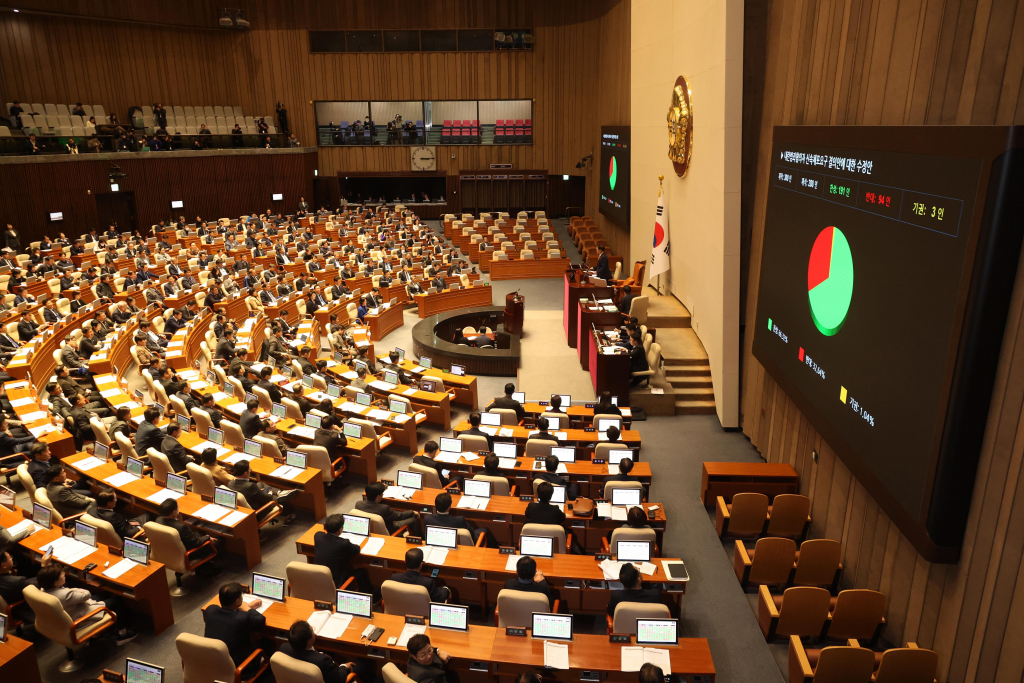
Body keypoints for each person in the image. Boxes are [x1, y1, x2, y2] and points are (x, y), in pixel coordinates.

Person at [36, 564, 138, 644]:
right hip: (83, 617)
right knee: (118, 600)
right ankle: (122, 634)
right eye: (61, 575)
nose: (64, 574)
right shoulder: (65, 594)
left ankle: (106, 629)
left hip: (73, 610)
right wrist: (73, 589)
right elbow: (87, 594)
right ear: (55, 582)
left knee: (104, 594)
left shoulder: (43, 590)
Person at [204, 582, 267, 677]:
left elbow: (228, 615)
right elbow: (261, 620)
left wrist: (247, 608)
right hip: (239, 667)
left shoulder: (210, 610)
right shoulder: (241, 618)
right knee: (266, 642)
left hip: (214, 661)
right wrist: (248, 608)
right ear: (237, 602)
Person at [279, 620, 374, 683]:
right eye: (312, 631)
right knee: (366, 662)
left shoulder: (283, 648)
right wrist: (344, 666)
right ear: (309, 641)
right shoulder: (322, 661)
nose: (314, 633)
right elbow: (339, 680)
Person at [313, 514, 375, 595]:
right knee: (361, 571)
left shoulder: (318, 536)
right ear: (340, 530)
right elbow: (357, 549)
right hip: (336, 582)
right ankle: (370, 595)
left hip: (317, 579)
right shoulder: (344, 543)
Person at [155, 498, 220, 573]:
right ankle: (209, 568)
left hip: (170, 551)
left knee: (200, 532)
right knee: (218, 541)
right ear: (174, 512)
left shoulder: (158, 520)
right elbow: (197, 543)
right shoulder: (182, 527)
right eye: (178, 506)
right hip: (188, 553)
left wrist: (178, 521)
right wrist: (208, 537)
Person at [228, 459, 296, 524]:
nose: (251, 470)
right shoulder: (250, 486)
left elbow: (247, 493)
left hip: (245, 507)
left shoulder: (230, 483)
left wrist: (258, 492)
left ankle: (279, 492)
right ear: (245, 473)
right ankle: (288, 517)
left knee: (261, 484)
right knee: (278, 498)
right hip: (258, 511)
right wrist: (269, 493)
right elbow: (266, 498)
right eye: (249, 469)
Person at [424, 492, 497, 547]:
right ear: (449, 507)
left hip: (439, 545)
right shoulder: (459, 520)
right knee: (485, 530)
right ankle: (496, 548)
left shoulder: (427, 519)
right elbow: (471, 533)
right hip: (466, 545)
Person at [356, 481, 421, 536]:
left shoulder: (358, 504)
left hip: (369, 531)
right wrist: (413, 512)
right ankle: (418, 540)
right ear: (378, 497)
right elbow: (400, 516)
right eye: (382, 495)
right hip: (389, 530)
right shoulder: (384, 508)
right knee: (413, 520)